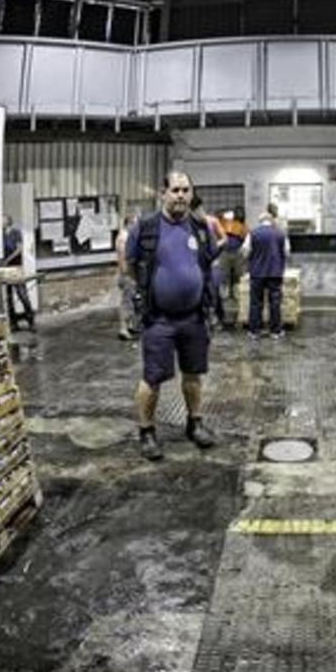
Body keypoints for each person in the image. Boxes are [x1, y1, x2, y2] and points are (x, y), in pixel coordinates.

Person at [125, 171, 220, 461]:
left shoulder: (200, 228)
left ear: (192, 194)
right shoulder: (147, 227)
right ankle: (147, 432)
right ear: (163, 193)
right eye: (175, 190)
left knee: (193, 375)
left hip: (193, 317)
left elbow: (207, 262)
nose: (180, 195)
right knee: (152, 378)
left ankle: (195, 423)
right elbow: (130, 264)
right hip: (158, 319)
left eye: (185, 190)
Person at [242, 203, 290, 339]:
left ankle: (254, 331)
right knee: (275, 303)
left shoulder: (253, 233)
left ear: (260, 221)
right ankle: (275, 331)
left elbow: (245, 252)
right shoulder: (281, 234)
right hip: (275, 273)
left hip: (257, 273)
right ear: (271, 220)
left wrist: (252, 258)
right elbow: (287, 252)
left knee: (256, 303)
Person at [191, 194, 228, 327]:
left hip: (212, 262)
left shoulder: (211, 221)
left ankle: (218, 317)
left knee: (214, 291)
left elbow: (224, 239)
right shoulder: (187, 224)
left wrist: (212, 249)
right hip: (197, 265)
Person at [2, 215, 35, 331]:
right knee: (8, 296)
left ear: (8, 221)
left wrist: (7, 260)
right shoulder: (1, 235)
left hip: (16, 267)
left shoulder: (16, 233)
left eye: (3, 219)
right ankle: (13, 323)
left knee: (22, 294)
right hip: (6, 269)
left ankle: (31, 320)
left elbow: (19, 249)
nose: (1, 222)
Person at [220, 206, 249, 326]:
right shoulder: (225, 221)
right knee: (224, 276)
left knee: (238, 276)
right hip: (225, 252)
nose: (240, 215)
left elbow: (246, 239)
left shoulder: (243, 226)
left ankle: (238, 296)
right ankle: (225, 298)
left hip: (237, 252)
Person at [115, 213, 140, 341]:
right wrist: (128, 274)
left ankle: (129, 326)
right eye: (135, 223)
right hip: (127, 274)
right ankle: (123, 329)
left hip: (127, 274)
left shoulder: (125, 236)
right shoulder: (124, 238)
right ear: (129, 223)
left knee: (130, 301)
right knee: (126, 302)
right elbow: (125, 258)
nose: (136, 226)